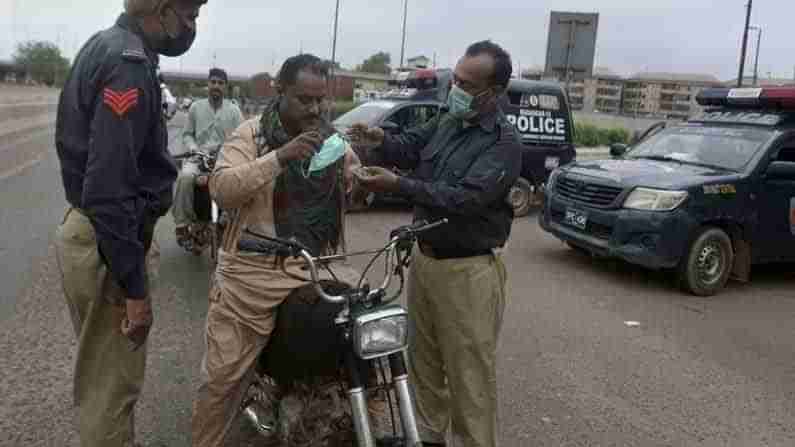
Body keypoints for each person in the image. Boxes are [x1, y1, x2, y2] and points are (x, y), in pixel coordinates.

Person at [349, 40, 522, 447]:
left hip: (469, 271)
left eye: (465, 83)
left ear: (492, 93)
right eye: (455, 78)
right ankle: (426, 439)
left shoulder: (503, 143)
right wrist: (378, 139)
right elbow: (410, 146)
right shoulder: (448, 119)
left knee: (469, 378)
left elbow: (464, 199)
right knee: (423, 367)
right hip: (426, 263)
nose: (454, 89)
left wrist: (398, 185)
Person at [54, 0, 207, 445]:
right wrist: (134, 288)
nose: (191, 28)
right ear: (159, 11)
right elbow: (108, 189)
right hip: (109, 240)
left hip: (89, 231)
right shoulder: (129, 63)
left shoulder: (105, 45)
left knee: (102, 372)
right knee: (111, 387)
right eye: (189, 16)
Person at [191, 53, 360, 447]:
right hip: (250, 275)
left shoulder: (329, 138)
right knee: (221, 382)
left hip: (310, 268)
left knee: (361, 333)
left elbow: (352, 170)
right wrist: (281, 157)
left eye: (321, 100)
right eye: (305, 99)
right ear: (280, 91)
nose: (315, 109)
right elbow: (222, 188)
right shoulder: (251, 135)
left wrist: (358, 178)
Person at [173, 67, 243, 247]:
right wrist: (193, 147)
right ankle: (182, 224)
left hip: (224, 159)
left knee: (237, 181)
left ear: (226, 87)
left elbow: (242, 137)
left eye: (220, 83)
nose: (216, 86)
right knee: (185, 177)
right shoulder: (196, 107)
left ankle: (228, 219)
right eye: (213, 82)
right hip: (198, 157)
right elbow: (187, 134)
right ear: (208, 84)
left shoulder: (234, 111)